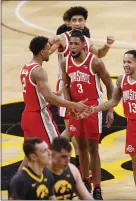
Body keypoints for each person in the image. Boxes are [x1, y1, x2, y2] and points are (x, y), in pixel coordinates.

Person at [77, 50, 136, 200]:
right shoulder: (121, 80)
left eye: (129, 62)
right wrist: (94, 110)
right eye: (124, 62)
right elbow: (114, 101)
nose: (125, 65)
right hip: (132, 125)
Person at [52, 6, 115, 172]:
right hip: (67, 89)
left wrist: (107, 46)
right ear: (68, 22)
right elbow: (50, 47)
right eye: (74, 20)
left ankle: (80, 167)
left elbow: (99, 54)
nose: (78, 23)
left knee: (81, 137)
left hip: (86, 89)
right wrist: (49, 43)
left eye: (80, 20)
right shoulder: (63, 38)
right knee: (72, 131)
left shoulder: (86, 39)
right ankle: (58, 155)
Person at [19, 36, 89, 171]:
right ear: (42, 52)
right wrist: (74, 105)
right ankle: (54, 187)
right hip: (39, 117)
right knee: (54, 150)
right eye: (48, 48)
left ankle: (16, 186)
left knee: (29, 157)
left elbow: (33, 92)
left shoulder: (26, 67)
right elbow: (49, 98)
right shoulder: (39, 71)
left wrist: (50, 95)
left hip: (27, 115)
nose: (50, 50)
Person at [61, 30, 115, 199]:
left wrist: (110, 109)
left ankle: (97, 187)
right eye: (71, 44)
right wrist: (70, 105)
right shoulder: (65, 62)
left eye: (76, 44)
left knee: (93, 148)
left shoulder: (95, 62)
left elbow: (109, 84)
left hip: (92, 107)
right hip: (76, 108)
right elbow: (66, 85)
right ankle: (85, 181)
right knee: (81, 148)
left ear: (84, 46)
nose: (72, 47)